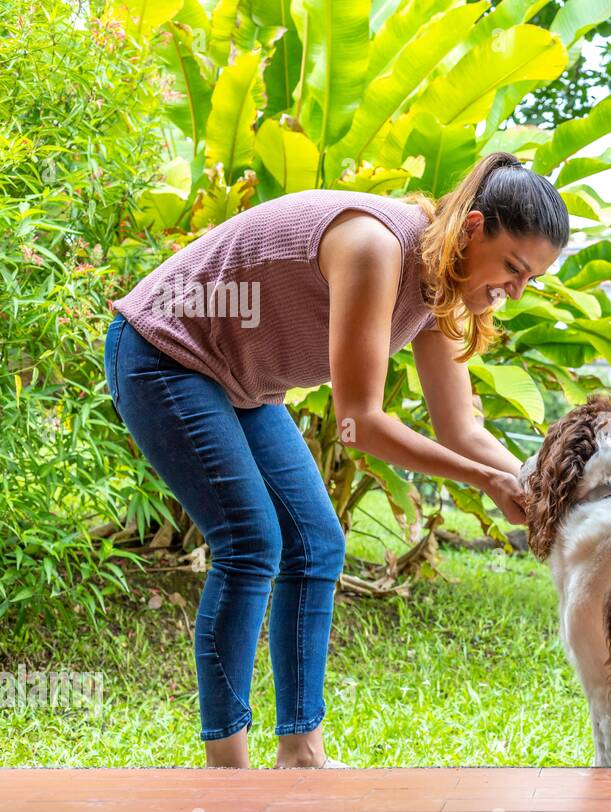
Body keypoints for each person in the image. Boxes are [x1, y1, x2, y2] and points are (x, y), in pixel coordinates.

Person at [102, 152, 567, 768]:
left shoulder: (439, 283)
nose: (516, 290)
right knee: (249, 540)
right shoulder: (377, 247)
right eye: (513, 267)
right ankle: (225, 769)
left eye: (530, 279)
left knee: (317, 542)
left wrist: (543, 485)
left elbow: (462, 428)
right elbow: (359, 423)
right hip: (164, 353)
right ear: (475, 227)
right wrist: (484, 481)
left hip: (243, 384)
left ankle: (300, 751)